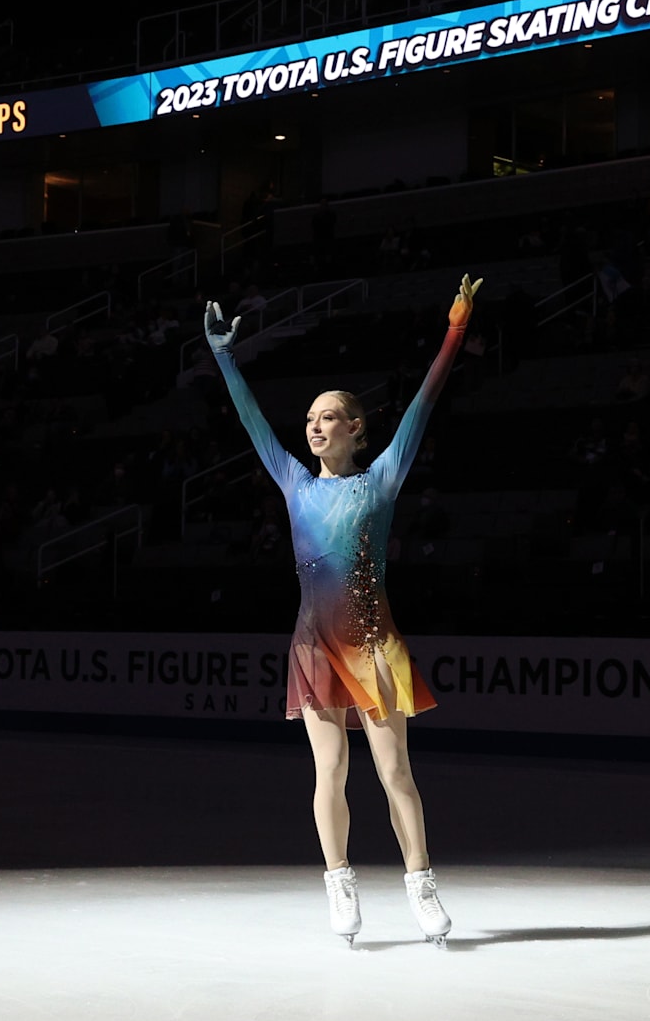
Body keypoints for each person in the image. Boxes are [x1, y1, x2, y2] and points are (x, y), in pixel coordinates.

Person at [205, 274, 481, 949]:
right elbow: (250, 419)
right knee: (330, 771)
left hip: (373, 641)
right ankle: (340, 884)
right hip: (313, 643)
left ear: (355, 428)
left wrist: (455, 331)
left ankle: (421, 885)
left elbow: (423, 402)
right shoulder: (293, 480)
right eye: (308, 419)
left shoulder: (380, 480)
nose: (314, 426)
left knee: (394, 772)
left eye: (328, 416)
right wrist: (222, 357)